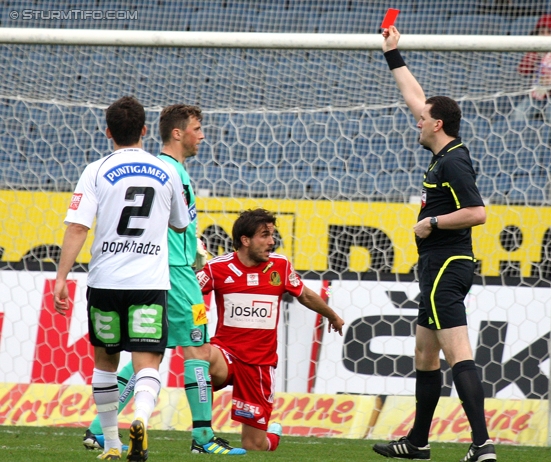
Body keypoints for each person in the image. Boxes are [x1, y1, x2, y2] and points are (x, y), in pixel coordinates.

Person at [81, 105, 246, 456]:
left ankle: (99, 430)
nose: (202, 135)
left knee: (148, 357)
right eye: (197, 129)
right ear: (177, 133)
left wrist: (195, 246)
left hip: (156, 273)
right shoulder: (170, 171)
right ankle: (203, 437)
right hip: (176, 275)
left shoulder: (163, 168)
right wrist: (190, 257)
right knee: (197, 348)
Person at [372, 27, 494, 462]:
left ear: (437, 124)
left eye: (422, 118)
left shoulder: (456, 160)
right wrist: (393, 54)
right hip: (435, 268)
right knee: (425, 353)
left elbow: (478, 213)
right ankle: (419, 442)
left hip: (447, 265)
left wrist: (432, 222)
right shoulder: (443, 153)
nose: (416, 120)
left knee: (459, 355)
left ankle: (482, 446)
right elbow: (415, 95)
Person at [54, 96, 191, 461]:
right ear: (145, 130)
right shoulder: (167, 172)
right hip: (149, 283)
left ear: (108, 132)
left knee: (105, 363)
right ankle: (142, 419)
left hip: (105, 282)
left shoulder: (96, 170)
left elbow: (78, 228)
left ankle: (112, 444)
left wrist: (60, 278)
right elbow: (181, 223)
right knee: (148, 363)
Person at [196, 208, 345, 452]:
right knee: (200, 357)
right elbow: (189, 293)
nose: (271, 241)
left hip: (260, 365)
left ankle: (272, 437)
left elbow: (304, 294)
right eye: (264, 235)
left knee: (254, 446)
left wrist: (333, 316)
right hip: (227, 354)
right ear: (245, 240)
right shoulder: (217, 268)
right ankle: (201, 436)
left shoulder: (280, 266)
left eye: (272, 235)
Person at [513, 13, 551, 124]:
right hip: (536, 95)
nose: (544, 36)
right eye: (541, 32)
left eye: (548, 33)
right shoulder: (534, 51)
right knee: (519, 112)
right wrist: (536, 57)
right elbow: (522, 69)